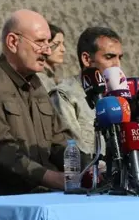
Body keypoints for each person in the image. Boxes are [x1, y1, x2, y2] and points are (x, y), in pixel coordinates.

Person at [0, 9, 73, 196]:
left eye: (48, 43)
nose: (48, 51)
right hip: (9, 200)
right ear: (12, 42)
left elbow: (60, 141)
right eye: (40, 42)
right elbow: (0, 150)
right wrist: (51, 177)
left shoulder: (36, 84)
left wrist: (91, 166)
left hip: (48, 194)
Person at [49, 26, 124, 157]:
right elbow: (72, 151)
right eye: (109, 57)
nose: (117, 65)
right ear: (87, 59)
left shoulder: (119, 96)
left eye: (119, 58)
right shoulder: (65, 95)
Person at [38, 23, 66, 92]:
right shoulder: (38, 76)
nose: (63, 49)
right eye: (57, 44)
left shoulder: (57, 73)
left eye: (63, 44)